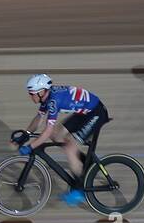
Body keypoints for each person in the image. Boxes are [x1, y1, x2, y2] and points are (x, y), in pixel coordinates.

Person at [18, 73, 108, 208]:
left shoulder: (54, 101)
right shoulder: (47, 98)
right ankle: (85, 163)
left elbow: (46, 130)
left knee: (69, 147)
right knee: (56, 135)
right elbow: (39, 118)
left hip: (96, 113)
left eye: (32, 93)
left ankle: (79, 190)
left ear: (41, 92)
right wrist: (26, 133)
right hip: (84, 112)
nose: (30, 96)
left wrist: (31, 146)